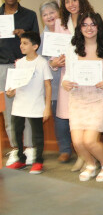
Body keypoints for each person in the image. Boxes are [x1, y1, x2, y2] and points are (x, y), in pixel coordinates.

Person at [61, 12, 103, 182]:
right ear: (80, 28)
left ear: (98, 27)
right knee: (78, 142)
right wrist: (65, 82)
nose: (89, 28)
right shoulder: (73, 50)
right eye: (85, 25)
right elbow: (68, 75)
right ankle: (91, 164)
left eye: (93, 24)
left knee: (89, 141)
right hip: (78, 99)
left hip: (100, 98)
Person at [51, 0, 94, 169]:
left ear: (80, 0)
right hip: (67, 75)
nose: (71, 4)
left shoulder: (89, 19)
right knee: (70, 115)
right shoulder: (60, 24)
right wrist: (54, 62)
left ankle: (85, 156)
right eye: (67, 1)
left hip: (85, 73)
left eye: (74, 0)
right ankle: (79, 154)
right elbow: (55, 52)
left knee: (84, 114)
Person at [0, 0, 39, 166]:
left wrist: (25, 34)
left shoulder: (29, 15)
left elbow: (37, 40)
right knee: (9, 112)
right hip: (2, 68)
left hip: (24, 66)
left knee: (28, 107)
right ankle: (16, 148)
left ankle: (30, 148)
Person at [5, 31, 52, 174]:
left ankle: (38, 161)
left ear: (35, 46)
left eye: (25, 43)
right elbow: (14, 85)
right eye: (21, 43)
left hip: (36, 104)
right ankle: (20, 159)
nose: (21, 46)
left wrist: (47, 107)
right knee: (17, 132)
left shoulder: (42, 63)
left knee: (37, 134)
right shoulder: (19, 63)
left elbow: (48, 86)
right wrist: (10, 92)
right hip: (19, 104)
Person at [36, 1, 66, 163]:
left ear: (59, 13)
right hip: (54, 86)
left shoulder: (69, 31)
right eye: (45, 14)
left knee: (73, 117)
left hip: (71, 82)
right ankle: (65, 150)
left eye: (52, 12)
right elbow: (40, 62)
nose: (49, 17)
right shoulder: (43, 37)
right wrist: (51, 64)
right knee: (59, 119)